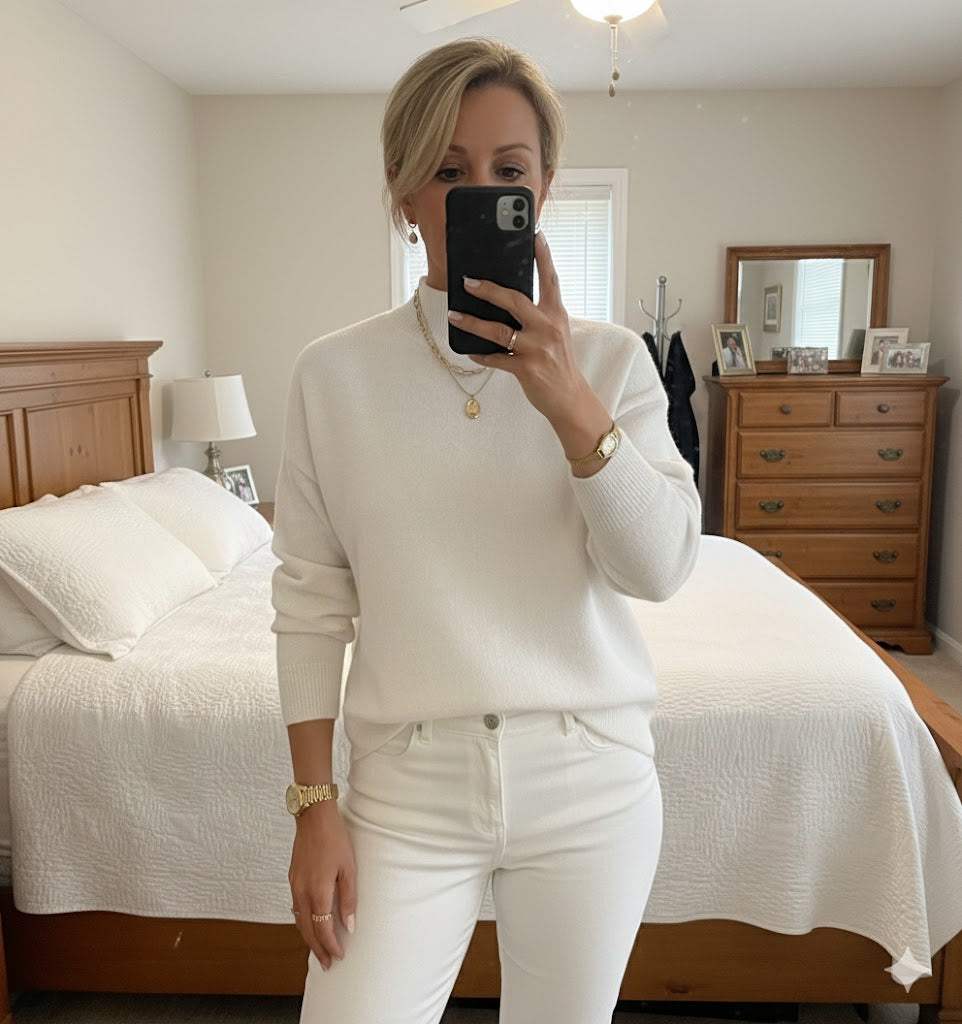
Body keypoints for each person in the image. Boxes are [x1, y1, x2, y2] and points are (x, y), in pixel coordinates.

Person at [270, 37, 701, 1024]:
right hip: (404, 786)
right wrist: (312, 805)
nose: (482, 194)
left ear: (543, 189)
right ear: (403, 192)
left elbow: (661, 568)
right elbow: (309, 599)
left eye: (509, 171)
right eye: (448, 170)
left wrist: (572, 409)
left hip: (589, 776)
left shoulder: (611, 362)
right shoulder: (332, 376)